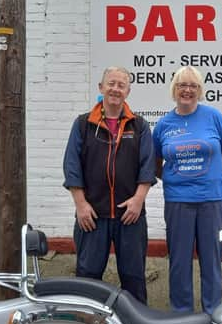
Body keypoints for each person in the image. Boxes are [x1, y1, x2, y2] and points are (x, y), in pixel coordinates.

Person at [63, 66, 155, 304]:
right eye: (111, 83)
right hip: (92, 216)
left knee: (133, 278)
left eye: (121, 85)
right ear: (101, 88)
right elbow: (72, 166)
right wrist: (81, 205)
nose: (115, 89)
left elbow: (148, 167)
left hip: (130, 216)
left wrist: (138, 201)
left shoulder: (139, 126)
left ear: (128, 91)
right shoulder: (83, 124)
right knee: (88, 277)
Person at [152, 66, 222, 314]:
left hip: (212, 200)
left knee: (212, 261)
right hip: (178, 202)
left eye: (193, 86)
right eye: (182, 85)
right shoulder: (164, 124)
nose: (187, 90)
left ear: (200, 91)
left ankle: (214, 315)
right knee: (179, 263)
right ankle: (181, 317)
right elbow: (155, 164)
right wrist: (179, 179)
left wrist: (208, 179)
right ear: (174, 90)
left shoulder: (214, 117)